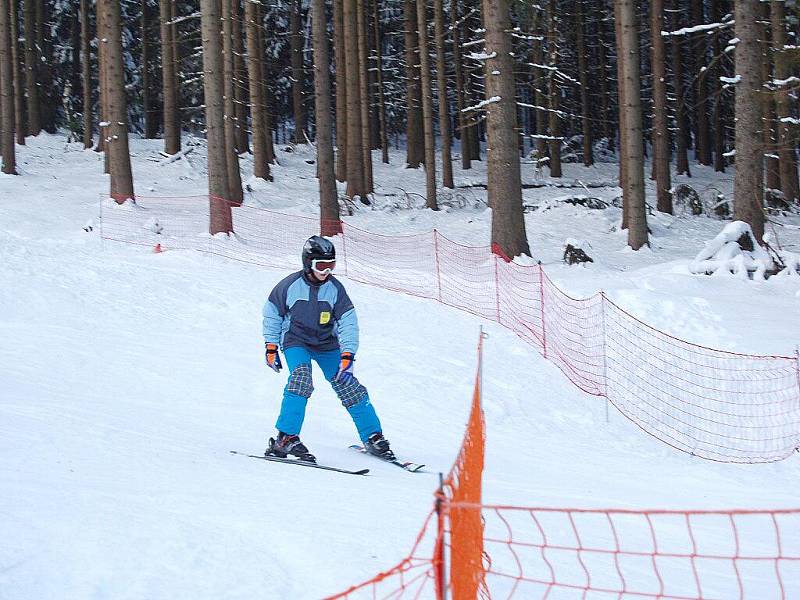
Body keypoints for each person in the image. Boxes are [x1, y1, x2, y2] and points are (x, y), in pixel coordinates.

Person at [262, 235, 394, 463]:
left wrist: (348, 354)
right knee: (301, 379)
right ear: (308, 263)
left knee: (349, 385)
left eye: (331, 265)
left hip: (326, 344)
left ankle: (373, 436)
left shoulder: (335, 289)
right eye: (321, 266)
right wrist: (271, 347)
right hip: (296, 341)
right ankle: (286, 438)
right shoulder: (290, 286)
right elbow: (272, 313)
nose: (326, 271)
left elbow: (348, 322)